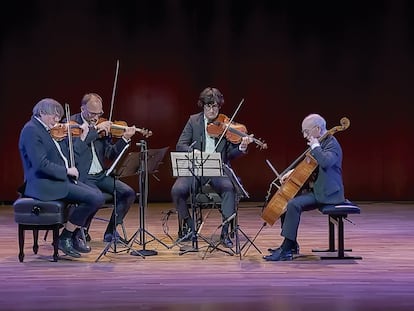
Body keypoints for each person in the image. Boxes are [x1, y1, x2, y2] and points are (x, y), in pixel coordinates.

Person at [18, 98, 105, 258]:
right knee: (93, 198)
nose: (57, 120)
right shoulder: (31, 130)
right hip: (43, 184)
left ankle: (70, 235)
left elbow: (63, 154)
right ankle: (66, 237)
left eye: (59, 116)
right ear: (42, 113)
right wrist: (66, 171)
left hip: (57, 179)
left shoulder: (45, 129)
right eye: (54, 116)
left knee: (98, 196)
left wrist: (83, 138)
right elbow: (40, 164)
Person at [171, 87, 253, 248]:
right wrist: (195, 152)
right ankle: (189, 228)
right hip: (196, 168)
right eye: (208, 106)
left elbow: (230, 154)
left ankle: (225, 233)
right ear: (202, 105)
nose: (212, 110)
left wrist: (242, 148)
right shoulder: (193, 121)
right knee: (177, 190)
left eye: (215, 106)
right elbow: (181, 145)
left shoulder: (225, 124)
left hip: (218, 170)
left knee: (229, 188)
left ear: (219, 106)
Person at [263, 113, 345, 261]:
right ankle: (291, 244)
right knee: (288, 199)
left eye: (306, 131)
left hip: (328, 194)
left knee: (293, 204)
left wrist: (315, 146)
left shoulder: (332, 144)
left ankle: (286, 249)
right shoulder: (321, 144)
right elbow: (310, 164)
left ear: (318, 129)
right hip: (318, 189)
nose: (305, 136)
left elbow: (325, 162)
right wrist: (292, 172)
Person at [71, 93, 136, 242]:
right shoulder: (72, 124)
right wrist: (94, 131)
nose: (95, 117)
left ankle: (110, 232)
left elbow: (110, 154)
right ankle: (80, 231)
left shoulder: (103, 124)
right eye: (92, 113)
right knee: (96, 197)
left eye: (99, 113)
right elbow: (75, 150)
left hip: (100, 175)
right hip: (82, 176)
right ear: (82, 109)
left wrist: (125, 138)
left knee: (128, 193)